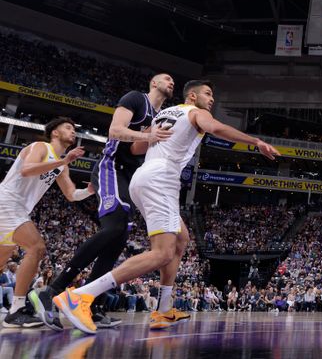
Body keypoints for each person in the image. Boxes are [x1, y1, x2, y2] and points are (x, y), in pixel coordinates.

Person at [55, 80, 280, 334]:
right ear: (192, 96)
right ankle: (82, 296)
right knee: (162, 253)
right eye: (208, 94)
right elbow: (215, 127)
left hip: (145, 177)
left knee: (181, 239)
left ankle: (163, 309)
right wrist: (255, 141)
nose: (212, 99)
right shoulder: (196, 112)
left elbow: (138, 146)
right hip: (161, 178)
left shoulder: (163, 114)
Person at [33, 74, 175, 330]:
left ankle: (92, 303)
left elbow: (136, 149)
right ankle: (52, 289)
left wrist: (156, 140)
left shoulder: (162, 116)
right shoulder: (136, 99)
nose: (171, 82)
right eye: (166, 78)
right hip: (111, 168)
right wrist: (148, 136)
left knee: (118, 238)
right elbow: (115, 131)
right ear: (153, 83)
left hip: (129, 175)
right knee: (113, 228)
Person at [0, 117, 93, 329]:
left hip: (17, 209)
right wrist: (63, 161)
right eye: (68, 128)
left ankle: (15, 310)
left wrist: (90, 190)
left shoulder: (62, 165)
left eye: (74, 129)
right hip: (7, 201)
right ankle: (16, 311)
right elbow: (27, 169)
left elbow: (71, 194)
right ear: (55, 133)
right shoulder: (41, 147)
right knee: (36, 247)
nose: (73, 132)